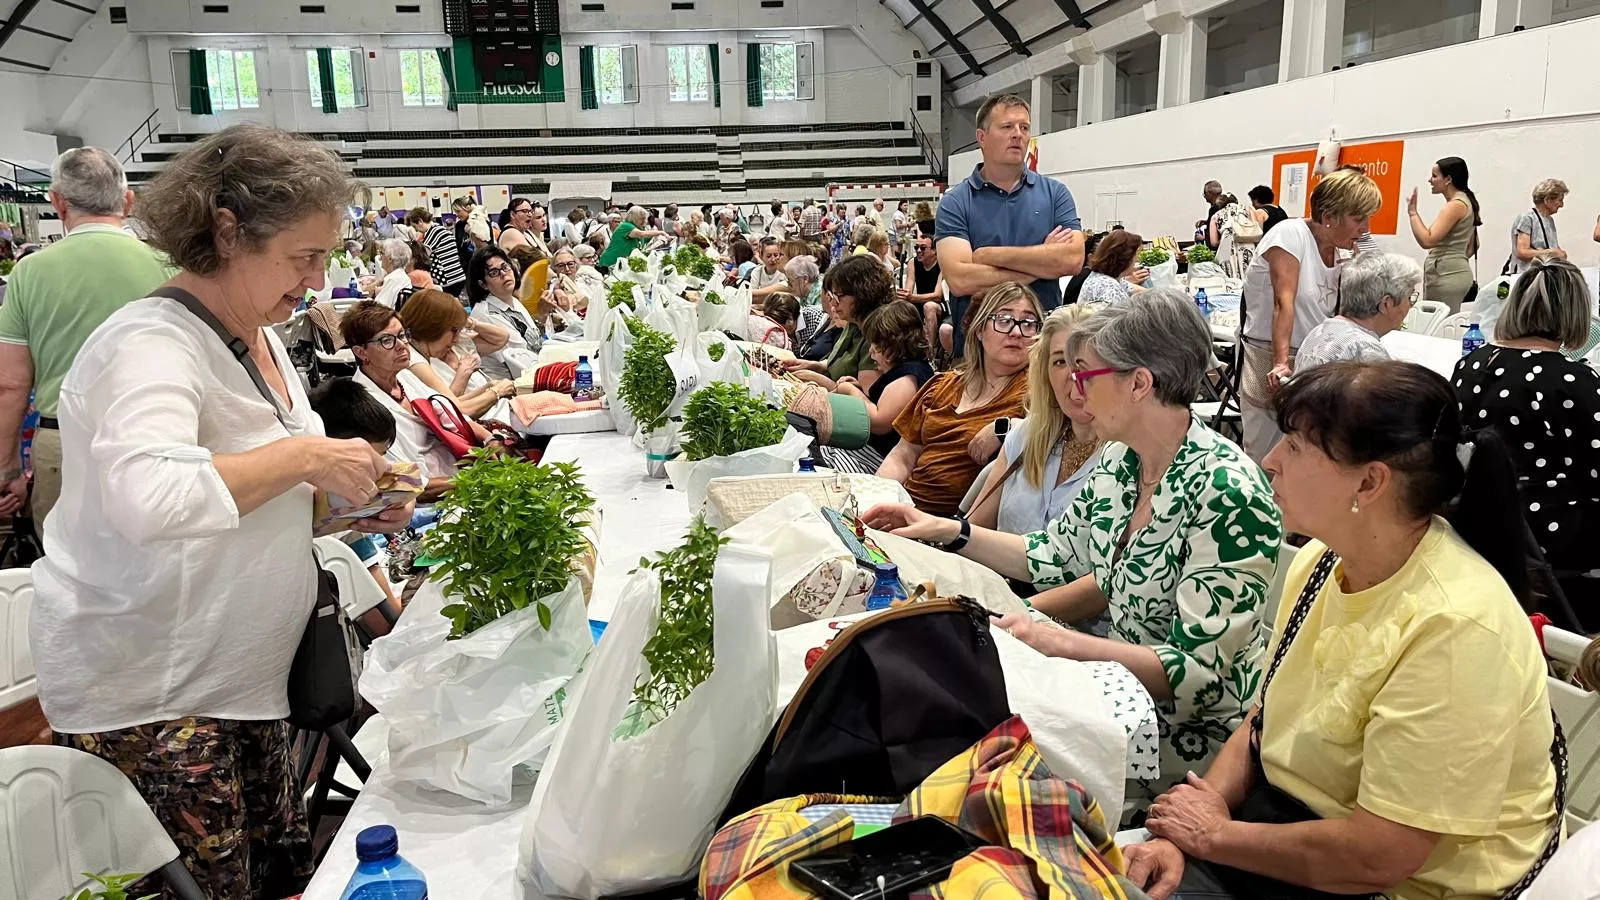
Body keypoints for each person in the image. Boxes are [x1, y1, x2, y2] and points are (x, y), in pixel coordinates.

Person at [32, 125, 411, 898]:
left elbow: (245, 501)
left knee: (273, 879)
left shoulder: (256, 338)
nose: (316, 279)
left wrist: (342, 511)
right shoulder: (147, 344)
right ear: (227, 231)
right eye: (303, 257)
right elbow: (156, 498)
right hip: (158, 703)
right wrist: (310, 458)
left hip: (239, 688)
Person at [1130, 360, 1558, 900]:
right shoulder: (1321, 564)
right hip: (1287, 831)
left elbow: (1380, 855)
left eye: (1295, 446)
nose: (1269, 461)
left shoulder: (1455, 626)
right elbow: (1263, 722)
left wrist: (1214, 837)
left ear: (1370, 480)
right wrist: (1190, 829)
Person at [869, 289, 1279, 794]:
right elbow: (1052, 555)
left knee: (959, 748)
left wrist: (1064, 644)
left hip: (1186, 747)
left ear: (1139, 384)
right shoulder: (1121, 463)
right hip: (1108, 694)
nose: (1076, 390)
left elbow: (1198, 676)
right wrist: (946, 529)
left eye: (1085, 374)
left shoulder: (1227, 492)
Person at [0, 147, 173, 525]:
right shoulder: (168, 267)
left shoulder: (30, 273)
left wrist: (9, 470)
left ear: (58, 202)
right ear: (128, 201)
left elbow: (11, 384)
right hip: (154, 439)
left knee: (69, 573)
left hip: (64, 445)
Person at [1453, 258, 1600, 630]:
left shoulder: (1470, 365)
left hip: (1477, 521)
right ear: (1577, 314)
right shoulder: (1571, 380)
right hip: (1547, 532)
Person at [1238, 167, 1382, 461]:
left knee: (1303, 456)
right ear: (1329, 217)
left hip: (1313, 359)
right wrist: (1280, 364)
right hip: (1274, 356)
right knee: (1266, 455)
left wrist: (1362, 264)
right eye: (1358, 219)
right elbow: (1283, 301)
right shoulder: (1289, 235)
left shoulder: (1341, 250)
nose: (1364, 228)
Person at [874, 281, 1040, 515]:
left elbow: (1058, 434)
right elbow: (903, 456)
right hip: (904, 508)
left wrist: (1009, 427)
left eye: (1028, 323)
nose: (1016, 331)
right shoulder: (941, 384)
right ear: (980, 330)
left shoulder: (1038, 392)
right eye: (1004, 320)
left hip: (956, 531)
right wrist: (876, 503)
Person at [937, 92, 1083, 355]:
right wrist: (1041, 265)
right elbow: (960, 279)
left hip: (1040, 348)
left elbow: (1072, 259)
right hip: (976, 349)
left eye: (1024, 127)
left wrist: (988, 255)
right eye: (1007, 127)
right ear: (982, 137)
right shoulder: (956, 202)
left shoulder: (1056, 193)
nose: (1018, 134)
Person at [968, 304, 1104, 538]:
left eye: (1085, 361)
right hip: (992, 572)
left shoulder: (1128, 456)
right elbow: (973, 529)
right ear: (1045, 371)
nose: (1074, 375)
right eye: (1060, 361)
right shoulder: (1027, 434)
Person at [345, 300, 478, 490]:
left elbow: (451, 412)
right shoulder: (362, 409)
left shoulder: (405, 376)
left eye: (401, 335)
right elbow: (403, 482)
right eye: (387, 340)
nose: (401, 345)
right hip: (436, 495)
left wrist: (490, 440)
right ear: (361, 352)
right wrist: (473, 480)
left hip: (461, 469)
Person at [821, 302, 935, 474]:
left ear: (894, 343)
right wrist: (858, 389)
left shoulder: (908, 378)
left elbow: (880, 422)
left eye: (876, 345)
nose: (872, 352)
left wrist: (850, 391)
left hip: (879, 458)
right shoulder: (903, 372)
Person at [399, 287, 518, 423]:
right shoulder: (415, 362)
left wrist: (489, 387)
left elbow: (452, 402)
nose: (456, 339)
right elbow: (455, 409)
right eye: (454, 330)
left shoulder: (419, 352)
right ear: (433, 327)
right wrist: (497, 392)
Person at [1294, 252, 1421, 372]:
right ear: (1386, 303)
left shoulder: (1319, 331)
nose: (1410, 305)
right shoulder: (1364, 349)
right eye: (1409, 298)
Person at [781, 254, 891, 390]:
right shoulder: (853, 324)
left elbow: (863, 402)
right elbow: (839, 363)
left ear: (861, 294)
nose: (833, 303)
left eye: (838, 296)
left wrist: (816, 378)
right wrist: (815, 366)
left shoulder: (876, 335)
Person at [1406, 156, 1480, 312]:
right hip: (1454, 273)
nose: (1430, 180)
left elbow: (1428, 240)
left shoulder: (1455, 205)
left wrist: (1413, 213)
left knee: (1439, 326)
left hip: (1446, 276)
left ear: (1448, 179)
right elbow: (1474, 246)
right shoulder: (1466, 202)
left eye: (1434, 176)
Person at [466, 246, 540, 380]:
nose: (504, 274)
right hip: (510, 384)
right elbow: (523, 352)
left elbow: (535, 339)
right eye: (494, 272)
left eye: (505, 267)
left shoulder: (512, 300)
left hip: (530, 372)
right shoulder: (485, 312)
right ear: (483, 284)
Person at [1507, 178, 1569, 274]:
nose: (1562, 205)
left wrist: (1560, 254)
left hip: (1544, 275)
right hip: (1526, 277)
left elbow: (1552, 248)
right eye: (1560, 200)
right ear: (1547, 200)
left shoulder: (1549, 220)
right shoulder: (1527, 218)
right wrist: (1552, 253)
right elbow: (1522, 252)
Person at [900, 234, 945, 356]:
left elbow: (937, 296)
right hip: (919, 301)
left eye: (923, 248)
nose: (919, 251)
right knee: (901, 307)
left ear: (934, 251)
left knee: (929, 307)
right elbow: (909, 287)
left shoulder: (942, 264)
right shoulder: (912, 263)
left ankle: (930, 351)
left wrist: (913, 297)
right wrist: (904, 295)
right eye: (916, 248)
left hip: (939, 305)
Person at [405, 206, 467, 296]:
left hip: (448, 279)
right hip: (457, 276)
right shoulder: (440, 229)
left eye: (415, 227)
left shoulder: (433, 233)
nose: (416, 230)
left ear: (420, 221)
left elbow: (421, 255)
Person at [1076, 230, 1148, 306]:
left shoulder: (1103, 278)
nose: (1137, 259)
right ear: (1124, 259)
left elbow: (1132, 288)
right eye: (1135, 255)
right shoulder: (1108, 288)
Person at [597, 205, 666, 272]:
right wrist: (661, 233)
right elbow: (642, 234)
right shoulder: (626, 226)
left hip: (620, 265)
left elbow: (644, 239)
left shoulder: (636, 228)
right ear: (635, 218)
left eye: (645, 218)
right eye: (642, 219)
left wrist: (658, 238)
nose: (644, 221)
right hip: (610, 263)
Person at [372, 238, 413, 307]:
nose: (380, 258)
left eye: (382, 253)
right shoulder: (398, 276)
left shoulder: (394, 278)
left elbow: (380, 307)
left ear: (390, 259)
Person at [1198, 180, 1225, 248]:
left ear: (1210, 193)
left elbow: (1215, 230)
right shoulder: (1226, 206)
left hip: (1218, 248)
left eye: (1205, 193)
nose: (1204, 196)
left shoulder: (1215, 209)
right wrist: (1206, 222)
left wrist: (1204, 238)